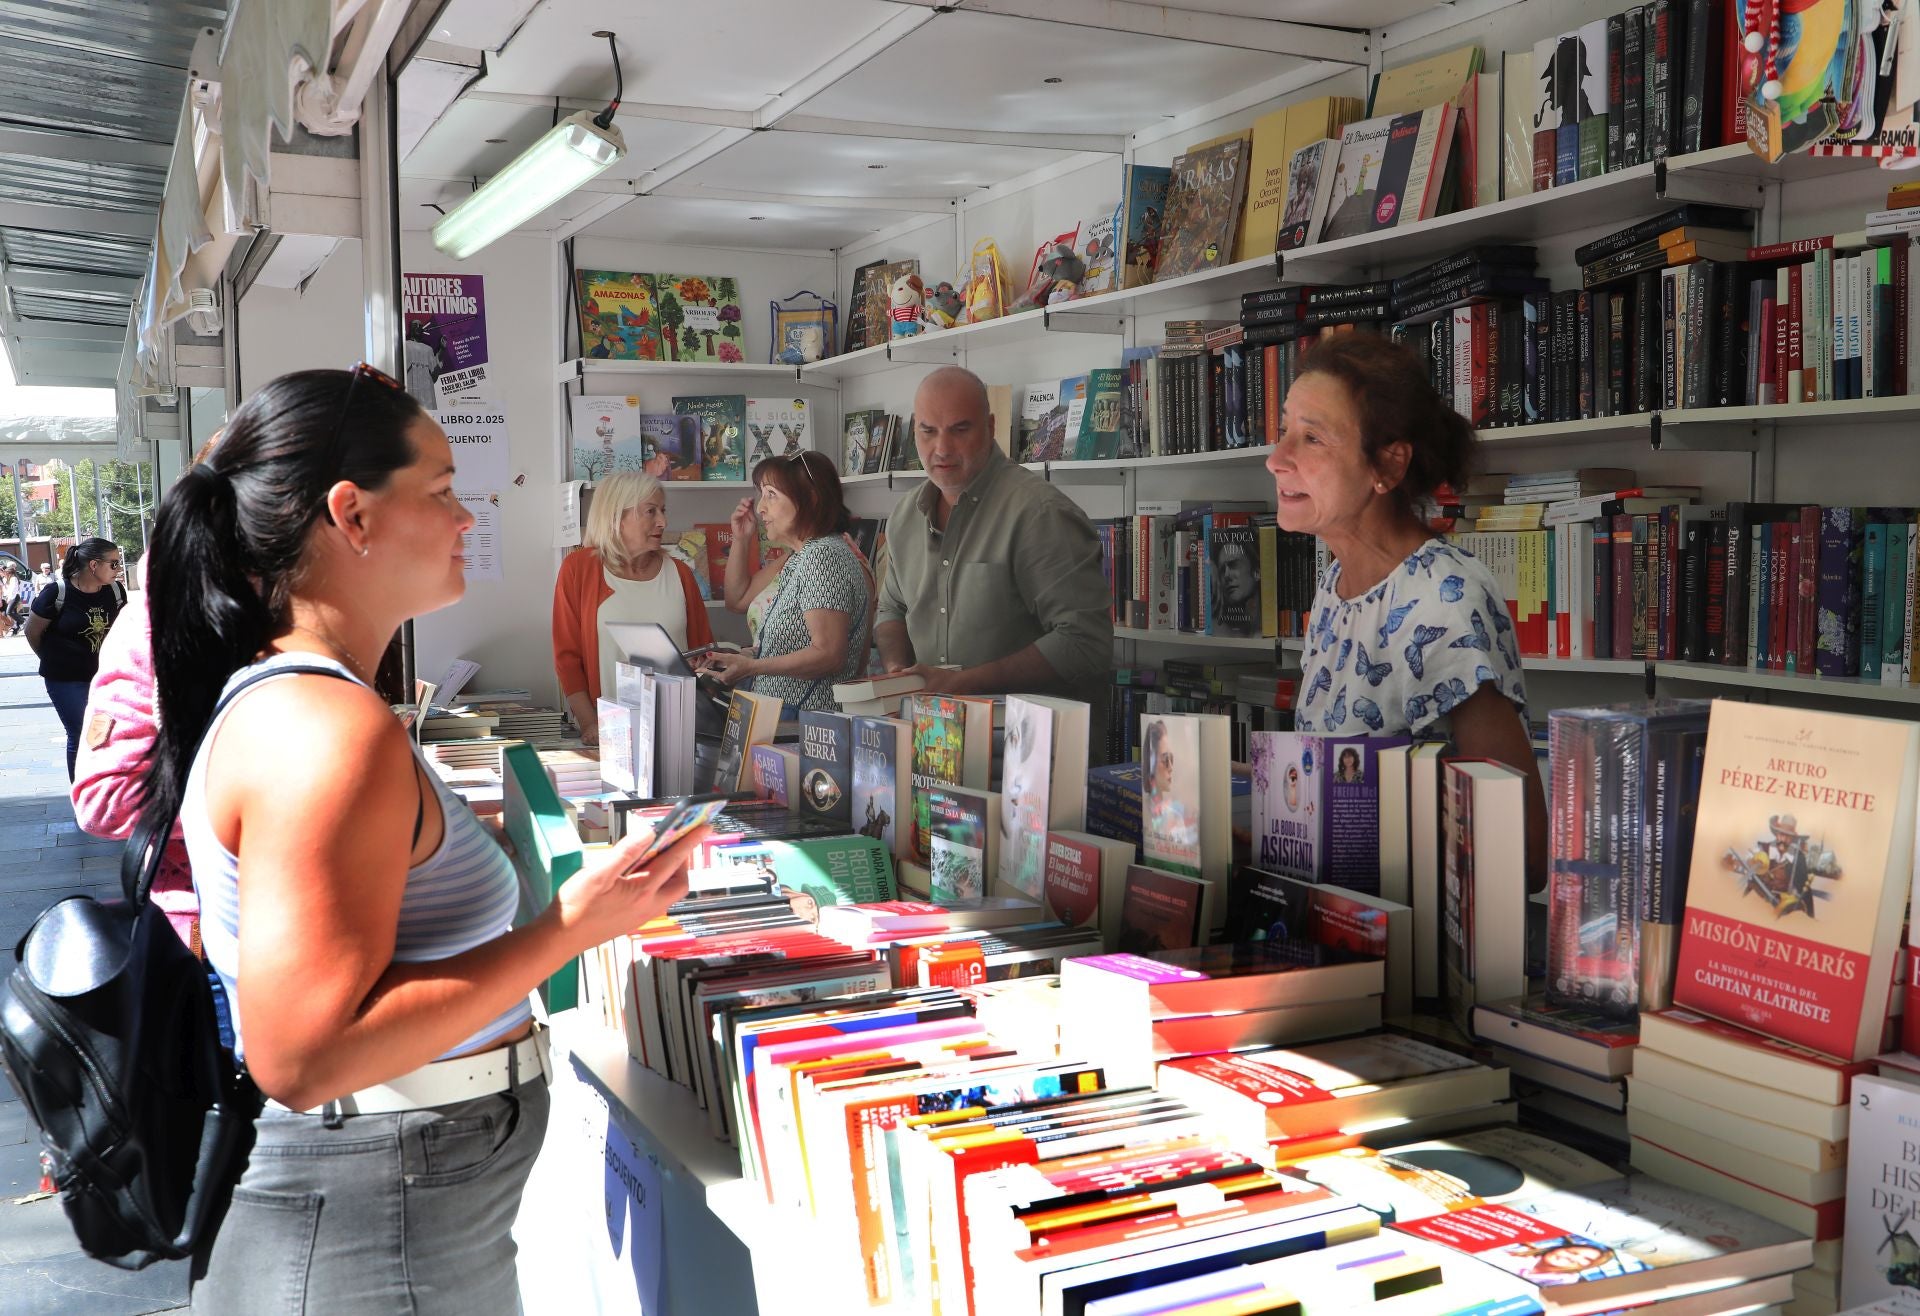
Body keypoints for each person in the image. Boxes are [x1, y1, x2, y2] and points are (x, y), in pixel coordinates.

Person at [141, 366, 706, 1311]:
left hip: (402, 1202)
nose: (466, 519)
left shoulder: (313, 701)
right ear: (351, 516)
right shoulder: (324, 729)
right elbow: (305, 1056)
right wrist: (569, 926)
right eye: (441, 493)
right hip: (381, 1216)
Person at [1269, 333, 1547, 883]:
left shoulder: (1446, 599)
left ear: (1389, 467)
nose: (1277, 458)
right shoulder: (1335, 586)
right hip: (1338, 925)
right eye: (1284, 430)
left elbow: (1524, 854)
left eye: (1312, 438)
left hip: (1416, 950)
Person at [874, 366, 1112, 708]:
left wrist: (962, 684)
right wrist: (899, 672)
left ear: (990, 428)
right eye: (928, 431)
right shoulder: (903, 516)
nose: (942, 448)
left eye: (959, 430)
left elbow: (1085, 642)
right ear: (915, 433)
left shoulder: (1039, 513)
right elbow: (891, 609)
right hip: (934, 736)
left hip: (1030, 747)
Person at [551, 468, 712, 745]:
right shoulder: (578, 570)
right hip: (608, 734)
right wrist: (590, 724)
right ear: (617, 517)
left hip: (677, 734)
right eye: (651, 511)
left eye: (663, 510)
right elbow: (567, 660)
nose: (663, 521)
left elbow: (704, 655)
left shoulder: (680, 574)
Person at [704, 452, 873, 712]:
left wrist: (753, 667)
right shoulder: (802, 555)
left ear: (810, 499)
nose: (760, 508)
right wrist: (743, 659)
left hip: (806, 722)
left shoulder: (822, 554)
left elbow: (828, 655)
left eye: (771, 494)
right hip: (787, 717)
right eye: (762, 494)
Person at [25, 537, 126, 778]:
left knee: (110, 734)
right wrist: (52, 659)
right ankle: (82, 795)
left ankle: (104, 790)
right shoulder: (56, 593)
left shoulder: (115, 591)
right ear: (94, 565)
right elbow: (32, 631)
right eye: (113, 564)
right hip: (66, 679)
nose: (118, 569)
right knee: (81, 732)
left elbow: (124, 629)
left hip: (106, 678)